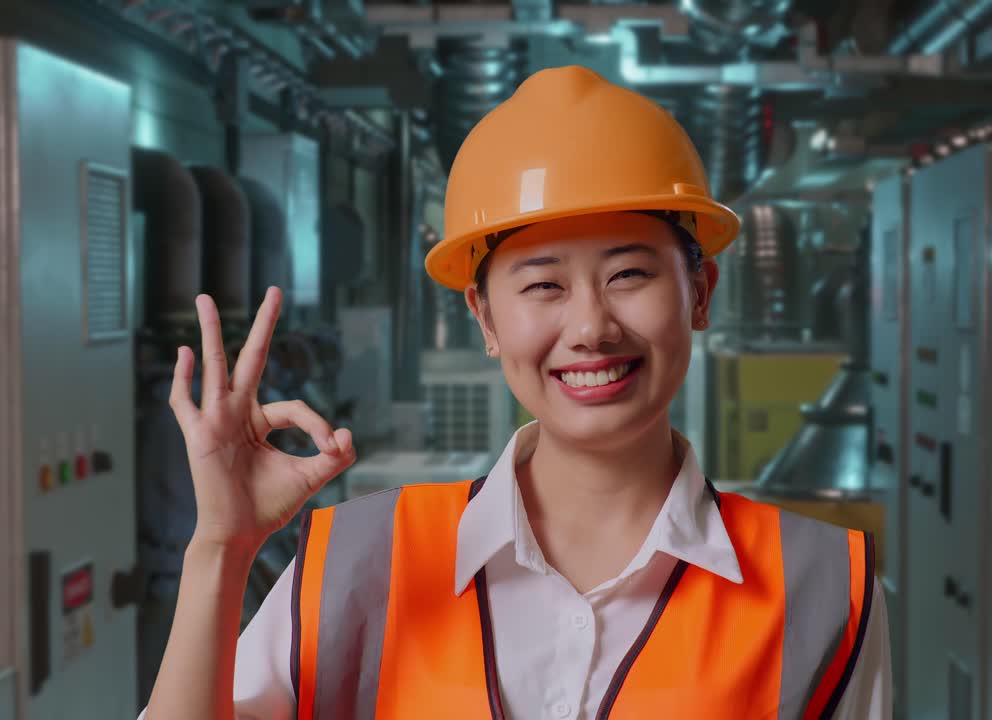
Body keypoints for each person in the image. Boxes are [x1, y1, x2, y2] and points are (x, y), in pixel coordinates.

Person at [139, 65, 891, 720]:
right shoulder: (356, 563)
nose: (591, 327)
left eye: (629, 274)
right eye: (543, 285)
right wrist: (220, 550)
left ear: (699, 291)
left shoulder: (825, 588)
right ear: (485, 317)